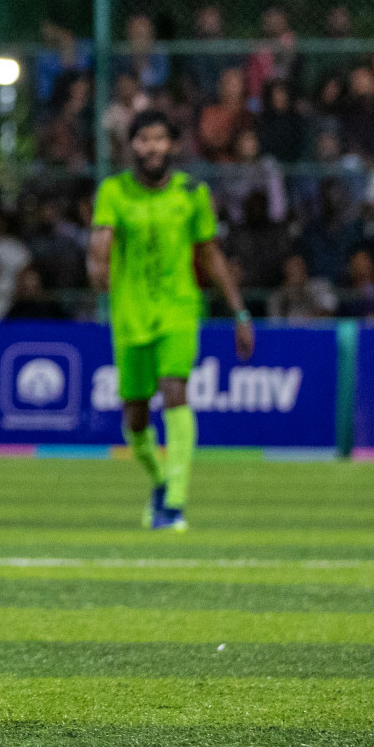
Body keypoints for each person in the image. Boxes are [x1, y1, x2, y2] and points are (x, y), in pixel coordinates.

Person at [88, 109, 254, 532]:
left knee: (175, 390)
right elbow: (101, 238)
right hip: (130, 315)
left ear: (172, 145)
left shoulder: (192, 192)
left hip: (180, 309)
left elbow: (210, 253)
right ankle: (160, 482)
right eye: (143, 139)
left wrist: (239, 312)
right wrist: (98, 264)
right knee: (136, 417)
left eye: (159, 139)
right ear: (132, 146)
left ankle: (175, 504)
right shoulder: (114, 190)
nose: (151, 147)